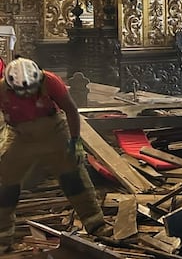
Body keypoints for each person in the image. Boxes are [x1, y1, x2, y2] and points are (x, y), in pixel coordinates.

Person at [0, 57, 110, 252]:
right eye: (21, 92)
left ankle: (96, 224)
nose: (26, 96)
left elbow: (71, 109)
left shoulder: (50, 81)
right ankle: (3, 236)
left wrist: (75, 141)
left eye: (30, 91)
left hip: (53, 130)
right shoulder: (2, 89)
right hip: (20, 134)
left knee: (72, 175)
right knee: (5, 182)